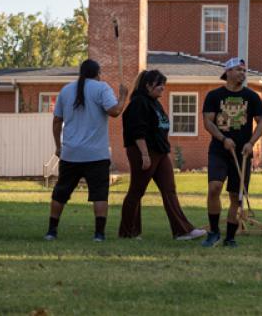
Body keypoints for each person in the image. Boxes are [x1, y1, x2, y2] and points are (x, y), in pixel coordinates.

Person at [44, 59, 128, 242]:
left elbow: (57, 120)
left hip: (71, 153)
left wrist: (58, 146)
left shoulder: (66, 90)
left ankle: (51, 231)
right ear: (97, 73)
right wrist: (123, 96)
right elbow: (114, 111)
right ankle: (99, 234)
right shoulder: (101, 88)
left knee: (61, 192)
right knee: (99, 193)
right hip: (96, 154)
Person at [118, 69, 205, 241]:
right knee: (137, 191)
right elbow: (137, 132)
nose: (163, 88)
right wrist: (144, 155)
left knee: (169, 189)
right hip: (144, 151)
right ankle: (128, 232)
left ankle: (182, 231)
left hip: (160, 152)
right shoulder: (138, 103)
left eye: (163, 85)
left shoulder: (155, 103)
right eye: (159, 85)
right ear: (148, 85)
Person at [201, 58, 262, 247]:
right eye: (238, 70)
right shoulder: (214, 96)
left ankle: (230, 237)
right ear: (227, 72)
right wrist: (223, 139)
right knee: (214, 188)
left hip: (242, 154)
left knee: (236, 197)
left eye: (244, 70)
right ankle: (213, 232)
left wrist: (251, 142)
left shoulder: (252, 97)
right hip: (219, 151)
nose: (242, 73)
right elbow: (208, 122)